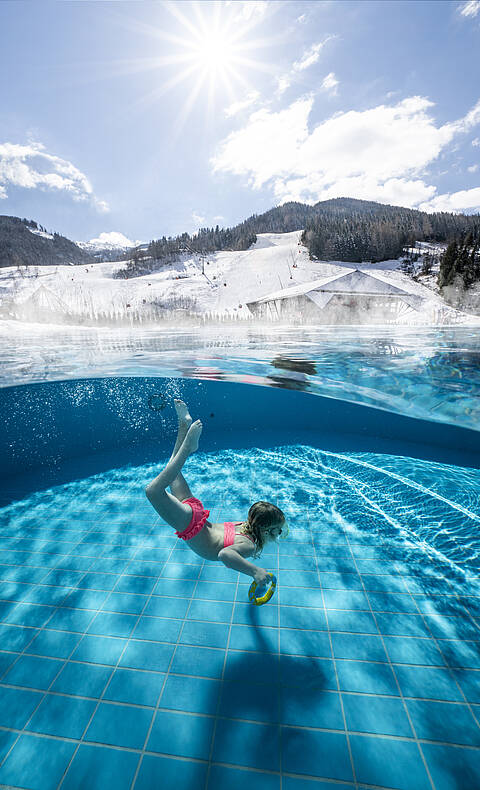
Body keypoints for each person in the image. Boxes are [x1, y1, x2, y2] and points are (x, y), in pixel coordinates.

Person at [145, 399, 286, 589]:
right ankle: (187, 448)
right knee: (153, 491)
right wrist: (255, 571)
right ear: (265, 530)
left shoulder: (244, 525)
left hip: (196, 511)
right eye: (277, 530)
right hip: (190, 524)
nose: (278, 534)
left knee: (173, 469)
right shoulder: (250, 546)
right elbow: (224, 555)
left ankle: (183, 424)